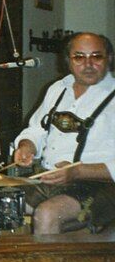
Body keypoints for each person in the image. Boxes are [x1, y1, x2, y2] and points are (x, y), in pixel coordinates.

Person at [13, 32, 115, 234]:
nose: (88, 64)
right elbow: (37, 129)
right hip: (48, 178)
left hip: (100, 187)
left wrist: (78, 171)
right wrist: (26, 146)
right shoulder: (58, 89)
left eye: (96, 56)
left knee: (47, 213)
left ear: (109, 59)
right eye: (79, 57)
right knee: (0, 204)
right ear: (68, 61)